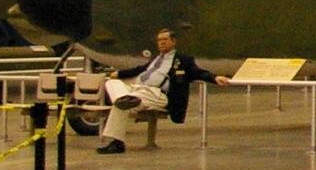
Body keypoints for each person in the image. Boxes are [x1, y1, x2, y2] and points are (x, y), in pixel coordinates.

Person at [97, 28, 230, 154]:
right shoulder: (155, 59)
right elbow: (140, 69)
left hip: (157, 94)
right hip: (137, 90)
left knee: (120, 104)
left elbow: (198, 72)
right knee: (112, 83)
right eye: (159, 40)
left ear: (173, 41)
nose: (161, 42)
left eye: (165, 39)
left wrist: (215, 77)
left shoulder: (183, 60)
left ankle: (117, 142)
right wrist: (119, 74)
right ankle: (125, 99)